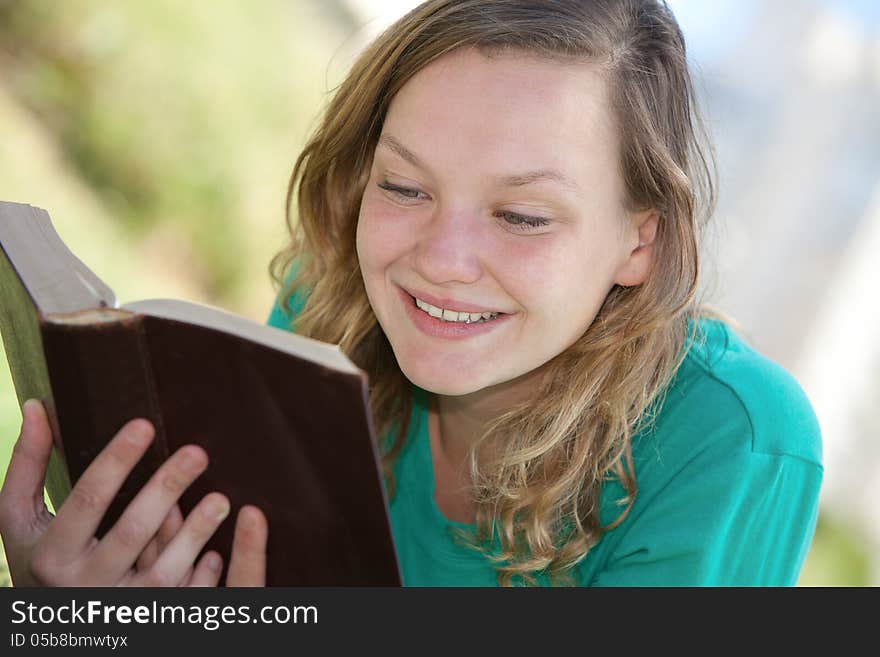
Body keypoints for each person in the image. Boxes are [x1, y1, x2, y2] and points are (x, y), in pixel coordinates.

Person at [0, 0, 822, 587]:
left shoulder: (732, 441)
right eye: (403, 186)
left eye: (522, 214)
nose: (442, 259)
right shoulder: (328, 308)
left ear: (639, 239)